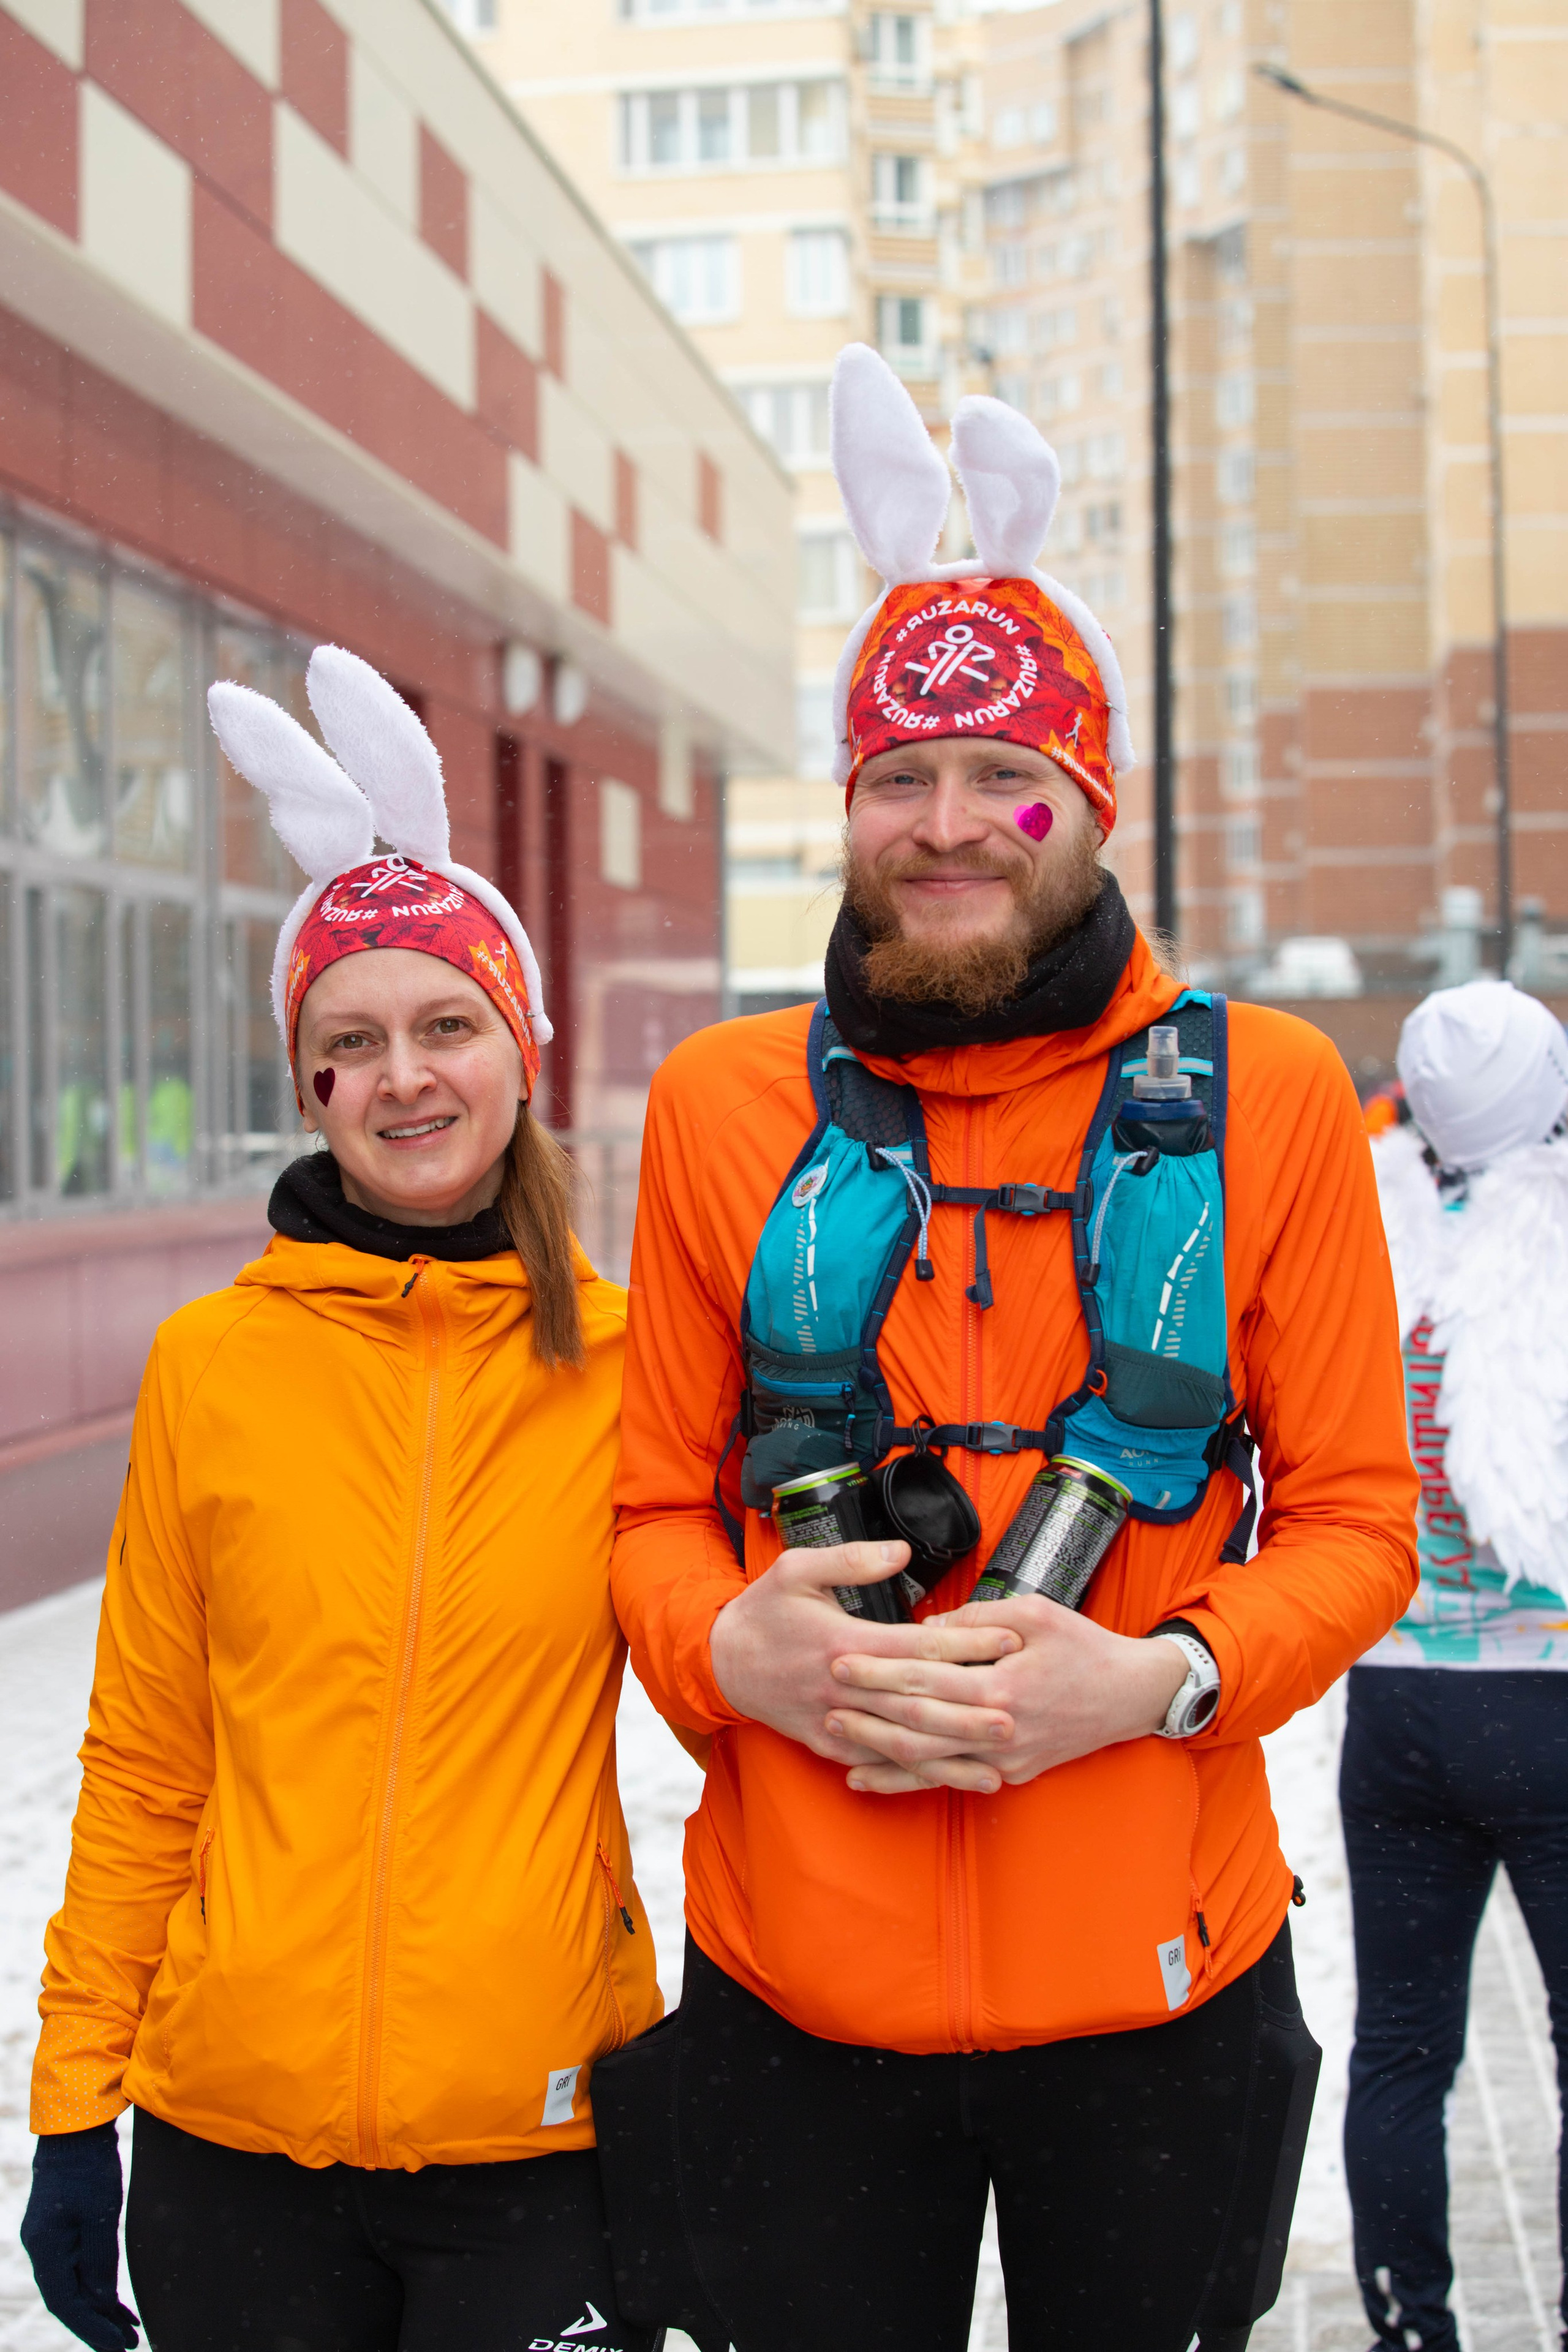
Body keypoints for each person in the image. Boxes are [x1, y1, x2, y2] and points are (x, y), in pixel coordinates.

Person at [605, 346, 1419, 2352]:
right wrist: (725, 1655)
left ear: (1090, 801)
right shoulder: (717, 1105)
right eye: (899, 777)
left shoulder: (1273, 1095)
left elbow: (1357, 1522)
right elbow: (648, 1514)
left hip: (1163, 1998)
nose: (946, 824)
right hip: (794, 2000)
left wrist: (1155, 1680)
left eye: (1000, 775)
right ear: (848, 803)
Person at [20, 649, 660, 2352]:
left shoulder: (635, 1363)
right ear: (308, 1085)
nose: (403, 1078)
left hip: (541, 2139)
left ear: (520, 1051)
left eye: (447, 1026)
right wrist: (75, 2101)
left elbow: (745, 1706)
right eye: (349, 1043)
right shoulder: (213, 1365)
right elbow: (145, 1758)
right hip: (233, 2144)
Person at [1349, 979, 1568, 2352]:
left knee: (1400, 2049)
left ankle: (1408, 2330)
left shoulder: (1368, 1231)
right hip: (1551, 1698)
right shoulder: (1552, 1237)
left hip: (1395, 1697)